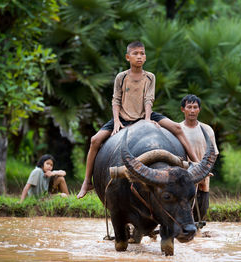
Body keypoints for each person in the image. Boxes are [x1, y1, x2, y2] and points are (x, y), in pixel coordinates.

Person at [77, 41, 200, 199]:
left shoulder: (150, 77)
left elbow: (149, 99)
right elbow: (116, 100)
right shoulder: (121, 77)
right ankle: (87, 181)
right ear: (128, 57)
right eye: (135, 54)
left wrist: (147, 119)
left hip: (145, 114)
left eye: (142, 53)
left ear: (145, 57)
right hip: (123, 117)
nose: (139, 56)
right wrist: (116, 121)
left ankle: (197, 164)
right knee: (95, 140)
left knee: (177, 128)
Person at [179, 94, 219, 221]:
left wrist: (205, 170)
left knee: (201, 208)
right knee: (182, 205)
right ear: (182, 109)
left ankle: (198, 228)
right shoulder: (177, 129)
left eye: (195, 107)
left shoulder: (207, 129)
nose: (192, 110)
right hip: (183, 173)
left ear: (199, 110)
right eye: (189, 107)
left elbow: (214, 154)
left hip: (202, 173)